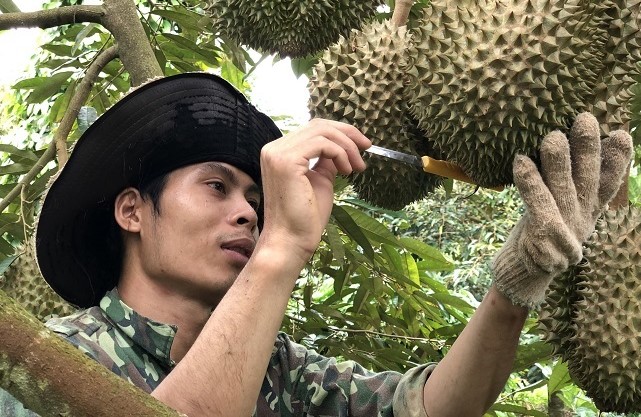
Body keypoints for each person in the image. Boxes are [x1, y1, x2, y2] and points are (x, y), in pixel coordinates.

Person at [0, 72, 633, 417]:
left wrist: (515, 283)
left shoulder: (284, 372)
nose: (246, 213)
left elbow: (432, 407)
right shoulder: (45, 366)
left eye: (255, 198)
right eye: (216, 187)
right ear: (133, 211)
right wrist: (280, 250)